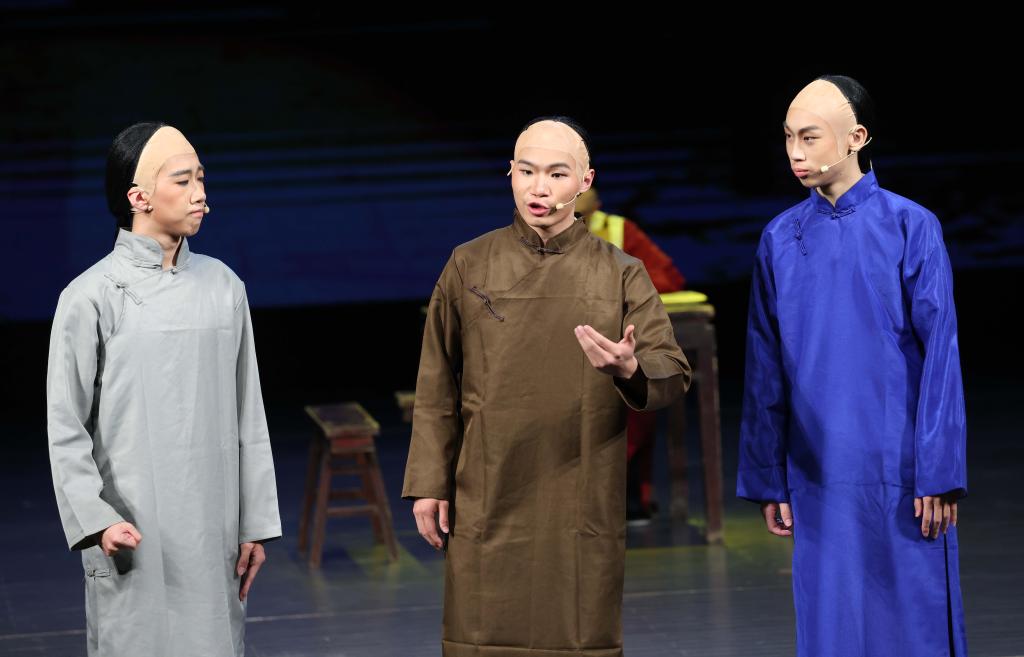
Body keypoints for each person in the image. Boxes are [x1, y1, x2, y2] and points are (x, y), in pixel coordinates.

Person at [403, 116, 691, 656]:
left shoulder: (620, 271)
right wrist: (428, 482)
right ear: (509, 173)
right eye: (527, 171)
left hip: (580, 489)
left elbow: (672, 370)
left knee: (577, 631)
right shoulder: (469, 263)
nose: (540, 188)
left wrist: (630, 368)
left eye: (558, 174)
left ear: (585, 181)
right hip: (488, 485)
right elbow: (437, 380)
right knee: (483, 633)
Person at [737, 76, 968, 657]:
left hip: (901, 467)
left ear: (856, 138)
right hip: (818, 470)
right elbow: (765, 366)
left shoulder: (911, 226)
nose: (795, 152)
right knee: (832, 624)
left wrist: (939, 472)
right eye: (788, 137)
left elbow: (941, 354)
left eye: (810, 137)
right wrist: (768, 478)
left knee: (913, 621)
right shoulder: (780, 238)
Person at [46, 122, 282, 657]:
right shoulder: (91, 296)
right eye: (182, 180)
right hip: (133, 530)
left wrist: (253, 524)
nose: (200, 194)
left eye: (201, 178)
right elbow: (66, 424)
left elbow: (249, 413)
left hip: (213, 531)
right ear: (139, 197)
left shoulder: (224, 287)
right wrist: (97, 520)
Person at [578, 188, 686, 520]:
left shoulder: (619, 230)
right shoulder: (535, 235)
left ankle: (631, 496)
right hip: (561, 344)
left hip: (617, 339)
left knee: (635, 406)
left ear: (597, 203)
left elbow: (667, 277)